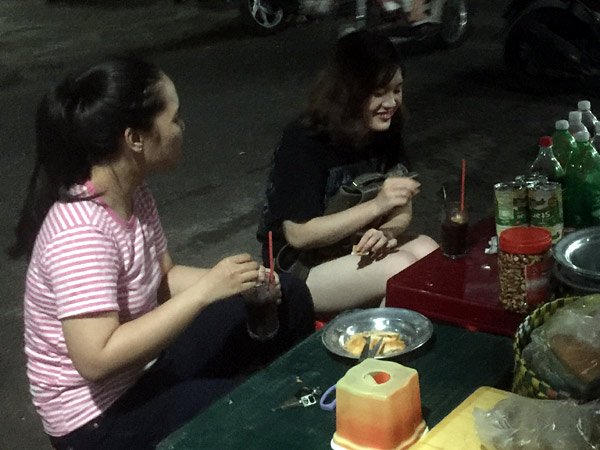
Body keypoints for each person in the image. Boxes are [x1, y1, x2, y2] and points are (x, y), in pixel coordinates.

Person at [8, 57, 314, 449]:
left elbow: (162, 278)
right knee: (240, 410)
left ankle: (302, 397)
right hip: (96, 421)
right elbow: (96, 359)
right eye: (175, 118)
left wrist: (241, 281)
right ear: (135, 138)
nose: (181, 127)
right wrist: (205, 291)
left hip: (143, 370)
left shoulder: (133, 192)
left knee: (290, 294)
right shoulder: (80, 232)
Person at [257, 30, 438, 316]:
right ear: (349, 93)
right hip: (297, 267)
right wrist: (376, 206)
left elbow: (402, 208)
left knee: (429, 253)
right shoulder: (306, 139)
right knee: (400, 268)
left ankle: (402, 333)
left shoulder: (387, 129)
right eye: (378, 93)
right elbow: (299, 234)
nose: (391, 103)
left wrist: (386, 232)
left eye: (397, 90)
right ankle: (376, 340)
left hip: (349, 250)